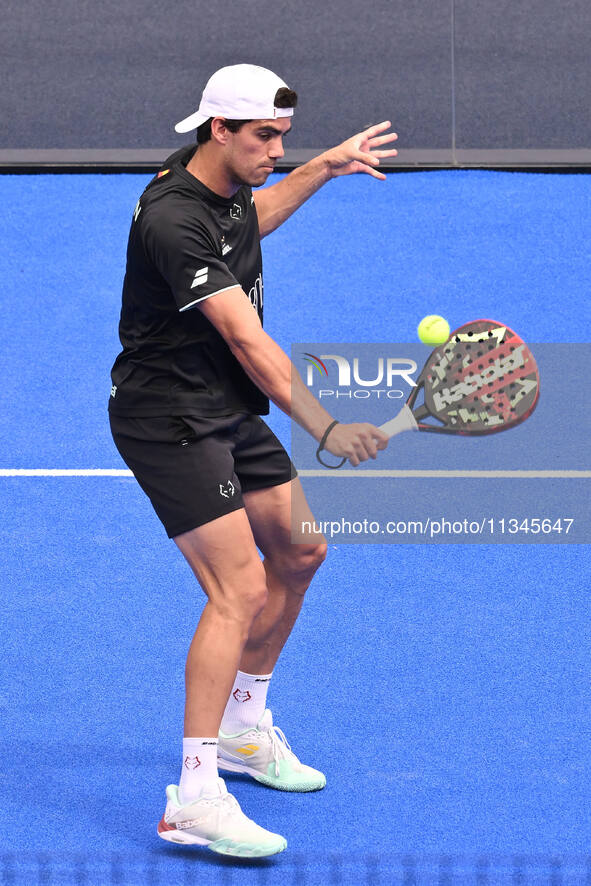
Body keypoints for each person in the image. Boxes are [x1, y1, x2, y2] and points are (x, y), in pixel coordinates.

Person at [108, 63, 398, 858]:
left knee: (300, 549)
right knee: (236, 588)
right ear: (218, 132)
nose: (275, 148)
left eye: (283, 138)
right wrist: (326, 426)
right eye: (264, 136)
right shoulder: (170, 217)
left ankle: (242, 728)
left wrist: (321, 168)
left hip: (224, 406)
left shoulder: (222, 188)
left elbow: (250, 222)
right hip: (167, 415)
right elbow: (248, 339)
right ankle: (194, 797)